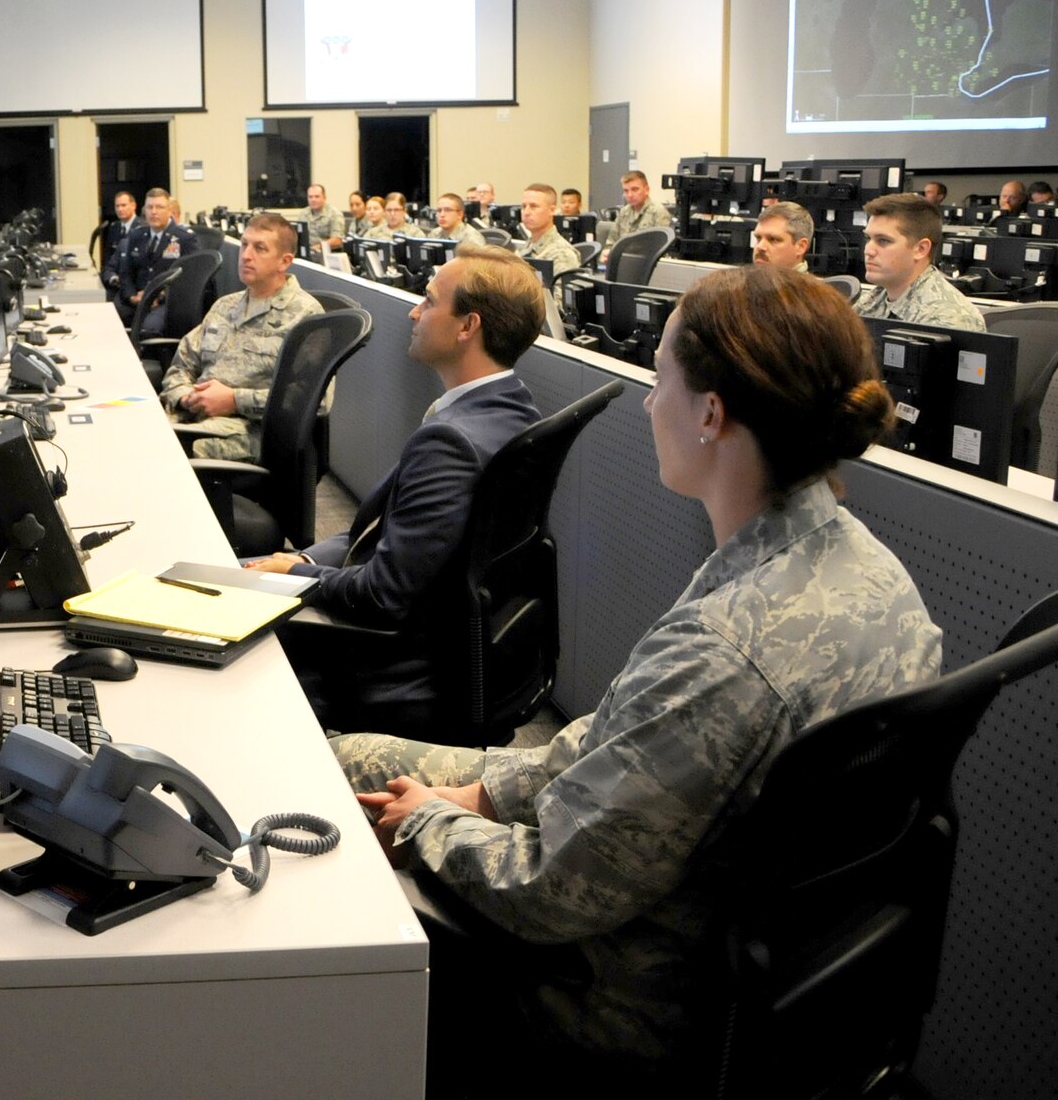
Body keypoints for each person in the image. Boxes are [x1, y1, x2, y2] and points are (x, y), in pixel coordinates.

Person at [337, 265, 941, 1076]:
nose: (653, 402)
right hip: (752, 969)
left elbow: (550, 890)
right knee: (338, 761)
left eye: (661, 378)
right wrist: (483, 795)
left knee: (325, 786)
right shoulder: (861, 565)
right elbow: (631, 733)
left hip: (614, 994)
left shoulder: (726, 650)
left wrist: (426, 822)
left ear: (711, 414)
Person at [247, 245, 543, 732]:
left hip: (389, 663)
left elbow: (383, 593)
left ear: (467, 327)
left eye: (428, 301)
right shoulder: (512, 407)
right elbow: (386, 539)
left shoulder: (451, 442)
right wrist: (302, 562)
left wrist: (301, 576)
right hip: (440, 645)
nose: (414, 311)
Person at [158, 212, 323, 460]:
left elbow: (312, 399)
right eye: (245, 244)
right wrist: (185, 396)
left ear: (284, 261)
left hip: (250, 432)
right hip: (190, 418)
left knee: (166, 456)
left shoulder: (305, 316)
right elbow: (182, 364)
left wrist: (234, 400)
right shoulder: (225, 306)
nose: (246, 255)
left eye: (260, 248)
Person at [853, 193, 986, 331]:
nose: (868, 250)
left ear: (921, 249)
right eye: (868, 238)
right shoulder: (873, 300)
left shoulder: (947, 319)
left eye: (883, 240)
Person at [120, 187, 198, 327]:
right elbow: (126, 272)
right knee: (112, 320)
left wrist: (159, 296)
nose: (154, 212)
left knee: (150, 327)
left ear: (169, 211)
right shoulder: (137, 236)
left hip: (167, 301)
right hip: (137, 298)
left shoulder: (184, 238)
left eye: (159, 207)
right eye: (149, 207)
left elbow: (190, 278)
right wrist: (131, 296)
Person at [598, 170, 672, 268]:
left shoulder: (658, 212)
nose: (630, 195)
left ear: (647, 190)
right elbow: (612, 240)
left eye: (635, 189)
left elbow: (661, 248)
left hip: (647, 266)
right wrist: (606, 251)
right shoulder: (624, 212)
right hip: (623, 264)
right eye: (626, 191)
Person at [516, 183, 581, 273]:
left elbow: (561, 287)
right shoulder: (529, 245)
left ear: (552, 210)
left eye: (534, 206)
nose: (526, 212)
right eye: (523, 206)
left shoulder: (561, 254)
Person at [97, 189, 143, 301]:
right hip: (114, 282)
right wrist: (111, 276)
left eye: (123, 205)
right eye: (117, 206)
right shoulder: (114, 227)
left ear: (133, 205)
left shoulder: (143, 228)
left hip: (133, 284)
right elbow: (107, 260)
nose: (120, 209)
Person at [750, 201, 813, 272]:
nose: (760, 247)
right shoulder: (742, 281)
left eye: (773, 239)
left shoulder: (809, 283)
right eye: (758, 238)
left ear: (801, 246)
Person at [305, 183, 345, 250]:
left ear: (324, 197)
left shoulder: (334, 214)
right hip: (308, 251)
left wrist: (318, 246)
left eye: (317, 196)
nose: (313, 200)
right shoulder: (304, 213)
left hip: (329, 253)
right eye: (310, 197)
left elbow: (337, 240)